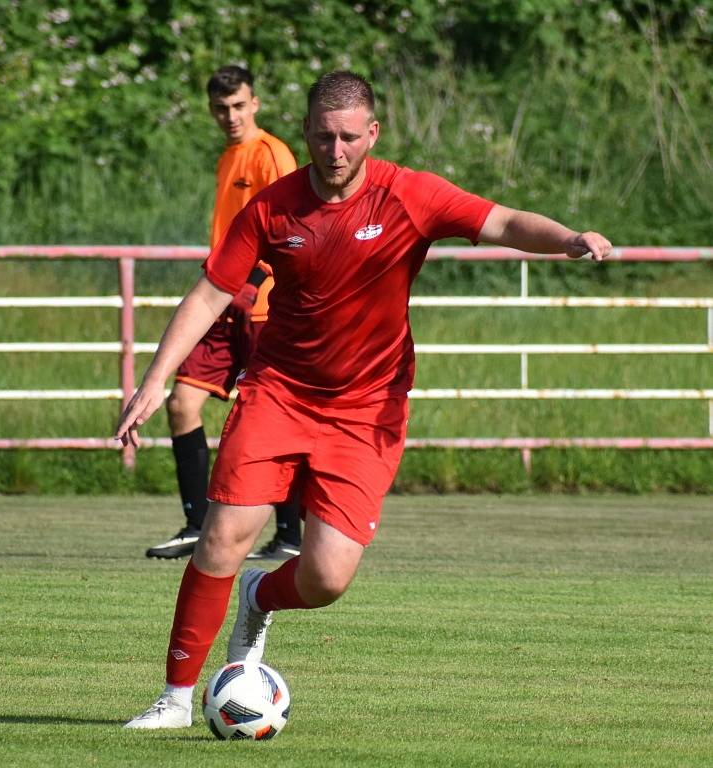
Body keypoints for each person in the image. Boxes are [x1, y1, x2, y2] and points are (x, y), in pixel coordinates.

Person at [117, 71, 612, 728]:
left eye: (349, 136)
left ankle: (259, 597)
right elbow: (209, 292)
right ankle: (176, 698)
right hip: (279, 393)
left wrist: (567, 238)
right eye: (323, 136)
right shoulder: (271, 207)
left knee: (325, 579)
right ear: (306, 133)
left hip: (366, 410)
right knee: (224, 534)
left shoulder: (409, 195)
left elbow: (501, 220)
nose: (336, 150)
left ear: (371, 133)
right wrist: (154, 381)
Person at [145, 64, 303, 562]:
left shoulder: (272, 153)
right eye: (220, 107)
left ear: (255, 102)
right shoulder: (227, 157)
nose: (230, 115)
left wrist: (252, 282)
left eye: (238, 105)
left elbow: (289, 225)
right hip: (225, 304)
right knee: (181, 405)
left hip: (262, 306)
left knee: (273, 414)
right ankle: (196, 524)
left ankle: (292, 535)